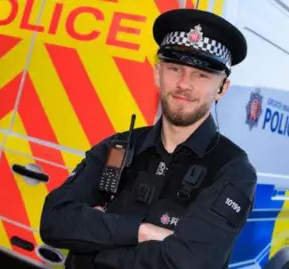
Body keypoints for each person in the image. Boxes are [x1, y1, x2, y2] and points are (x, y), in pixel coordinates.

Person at [39, 8, 257, 269]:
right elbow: (54, 220)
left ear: (222, 88)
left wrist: (94, 248)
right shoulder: (119, 145)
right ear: (157, 74)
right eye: (175, 68)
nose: (184, 84)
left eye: (201, 75)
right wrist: (141, 232)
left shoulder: (233, 170)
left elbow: (187, 263)